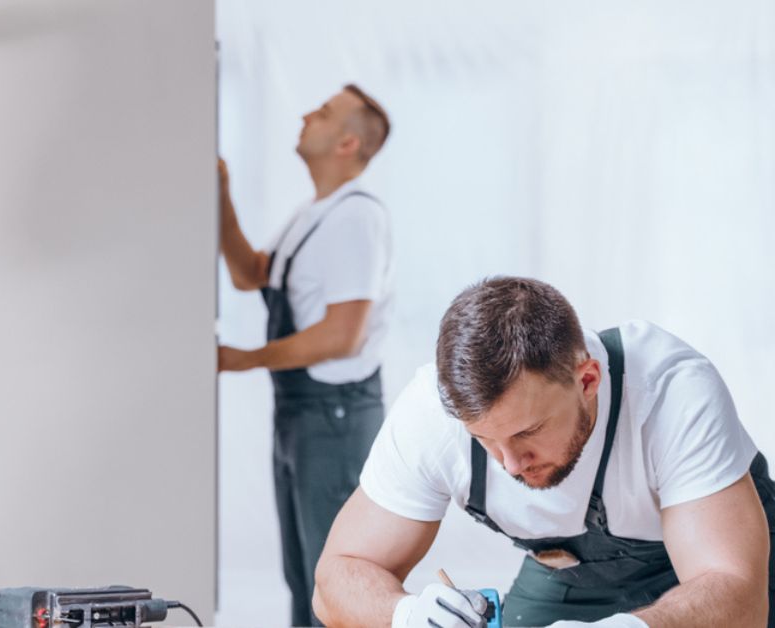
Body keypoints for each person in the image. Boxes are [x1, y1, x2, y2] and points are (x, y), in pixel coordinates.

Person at [315, 276, 775, 628]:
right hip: (571, 572)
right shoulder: (431, 415)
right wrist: (407, 616)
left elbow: (739, 596)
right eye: (484, 441)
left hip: (727, 571)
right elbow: (335, 579)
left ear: (587, 381)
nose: (510, 464)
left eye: (527, 433)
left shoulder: (671, 391)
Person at [217, 84, 393, 626]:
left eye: (321, 113)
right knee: (304, 576)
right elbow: (252, 273)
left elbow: (343, 335)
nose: (304, 115)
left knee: (333, 583)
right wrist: (219, 192)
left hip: (333, 417)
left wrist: (242, 358)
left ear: (346, 143)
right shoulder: (314, 214)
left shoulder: (356, 219)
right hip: (302, 413)